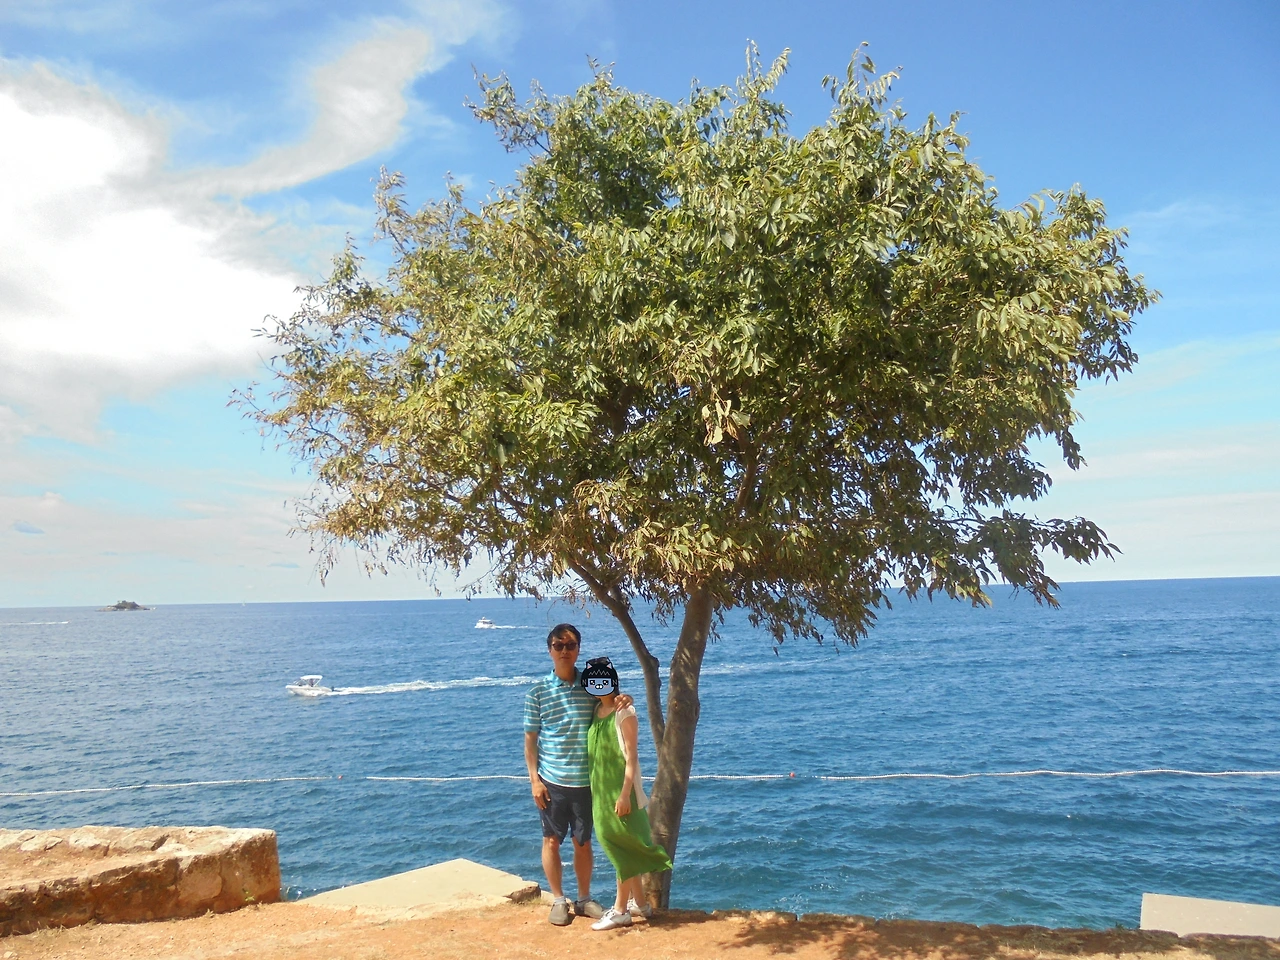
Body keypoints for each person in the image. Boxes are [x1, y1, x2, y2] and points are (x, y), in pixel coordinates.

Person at [523, 623, 632, 926]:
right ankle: (559, 899)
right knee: (551, 841)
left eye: (570, 646)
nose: (565, 651)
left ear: (578, 650)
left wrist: (626, 698)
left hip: (587, 781)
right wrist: (534, 780)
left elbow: (613, 702)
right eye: (558, 646)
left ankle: (583, 899)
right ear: (550, 650)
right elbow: (530, 740)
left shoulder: (591, 684)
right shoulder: (538, 692)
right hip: (552, 782)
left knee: (583, 843)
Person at [579, 656, 672, 931]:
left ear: (613, 682)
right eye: (593, 681)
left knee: (621, 847)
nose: (598, 685)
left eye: (603, 680)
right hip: (600, 791)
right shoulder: (596, 710)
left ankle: (620, 909)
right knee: (620, 844)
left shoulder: (625, 713)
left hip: (622, 793)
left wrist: (623, 795)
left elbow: (631, 759)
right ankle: (640, 903)